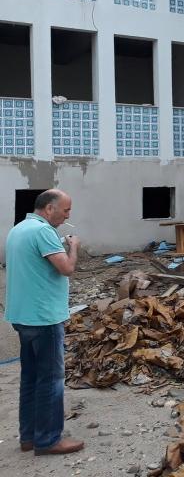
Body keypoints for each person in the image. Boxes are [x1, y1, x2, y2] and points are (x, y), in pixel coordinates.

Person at [4, 189, 84, 456]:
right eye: (66, 210)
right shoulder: (42, 231)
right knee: (51, 379)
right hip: (44, 318)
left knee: (31, 377)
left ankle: (29, 436)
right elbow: (66, 268)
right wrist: (72, 246)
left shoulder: (19, 229)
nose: (68, 215)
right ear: (49, 209)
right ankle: (48, 439)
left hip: (23, 317)